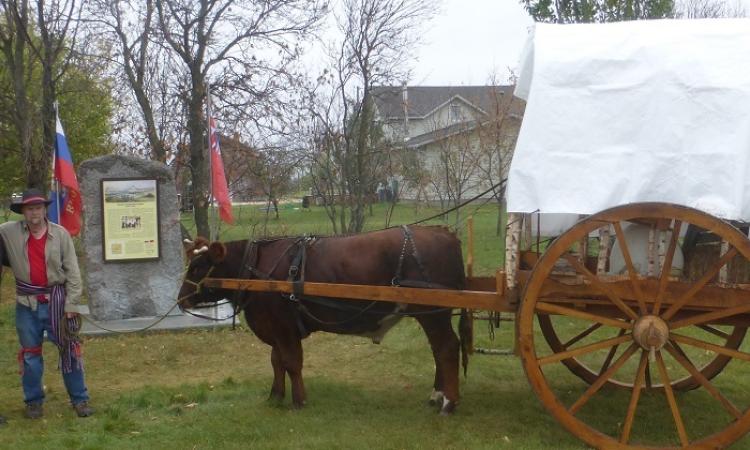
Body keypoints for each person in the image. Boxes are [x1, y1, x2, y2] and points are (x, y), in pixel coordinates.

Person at [0, 188, 94, 419]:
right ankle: (33, 402)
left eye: (38, 208)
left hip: (58, 304)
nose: (34, 213)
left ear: (44, 209)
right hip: (26, 305)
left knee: (69, 352)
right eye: (29, 208)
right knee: (30, 355)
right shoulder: (8, 232)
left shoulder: (61, 235)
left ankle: (79, 400)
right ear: (23, 211)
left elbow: (73, 272)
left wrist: (72, 305)